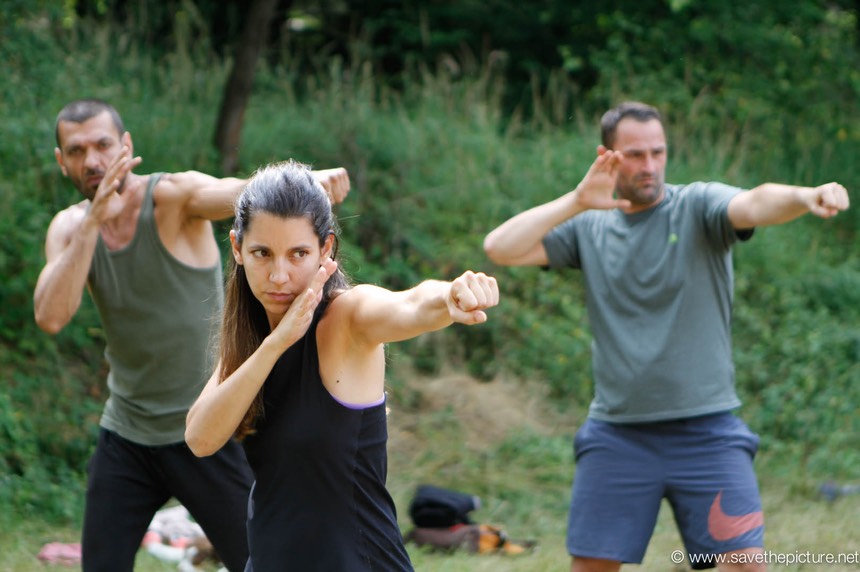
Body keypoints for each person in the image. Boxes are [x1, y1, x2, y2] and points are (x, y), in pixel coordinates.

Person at [482, 101, 850, 572]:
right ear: (607, 156)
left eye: (658, 152)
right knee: (591, 566)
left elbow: (754, 201)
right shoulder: (590, 227)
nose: (650, 166)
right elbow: (500, 248)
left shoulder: (697, 207)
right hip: (618, 433)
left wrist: (803, 196)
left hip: (708, 430)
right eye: (635, 154)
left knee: (745, 564)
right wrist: (576, 201)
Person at [33, 98, 351, 572]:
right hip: (127, 432)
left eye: (102, 145)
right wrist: (94, 220)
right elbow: (51, 316)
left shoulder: (172, 199)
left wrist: (301, 186)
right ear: (62, 162)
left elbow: (235, 193)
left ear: (126, 146)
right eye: (76, 151)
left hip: (209, 427)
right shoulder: (70, 229)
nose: (93, 160)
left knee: (260, 561)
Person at [184, 160, 499, 571]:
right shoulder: (251, 339)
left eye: (299, 254)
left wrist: (450, 297)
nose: (280, 275)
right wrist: (275, 345)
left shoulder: (348, 316)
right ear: (237, 249)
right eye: (263, 253)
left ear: (326, 250)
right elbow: (200, 438)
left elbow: (408, 303)